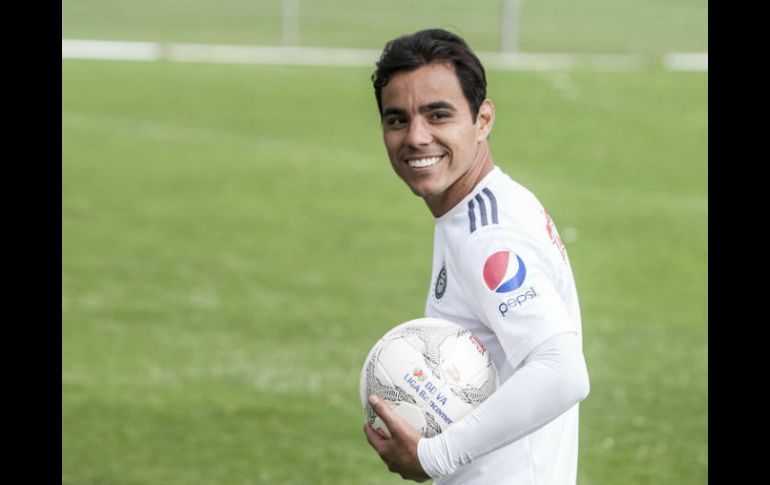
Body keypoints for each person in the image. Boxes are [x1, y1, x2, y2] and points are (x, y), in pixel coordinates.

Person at [363, 28, 591, 484]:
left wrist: (434, 456)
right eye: (397, 120)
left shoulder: (489, 235)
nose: (416, 137)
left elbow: (563, 371)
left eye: (438, 115)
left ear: (482, 120)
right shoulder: (477, 209)